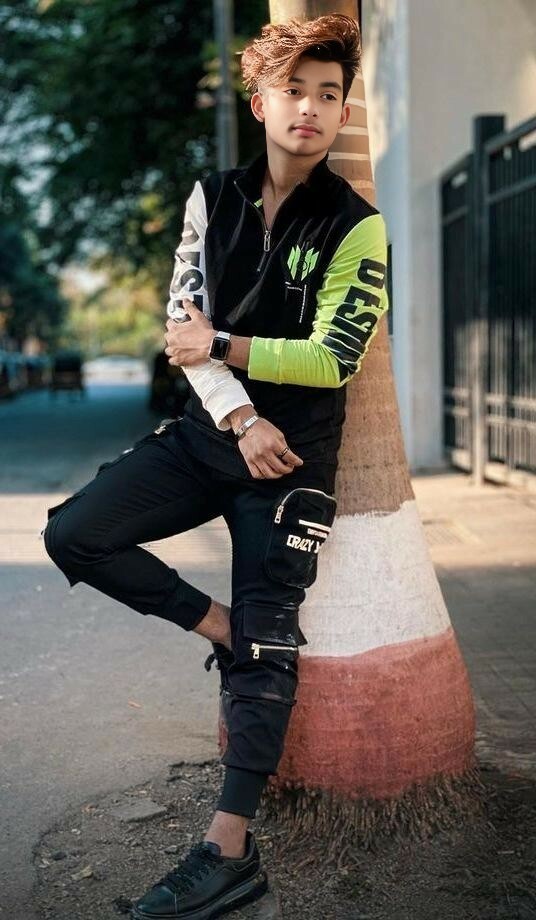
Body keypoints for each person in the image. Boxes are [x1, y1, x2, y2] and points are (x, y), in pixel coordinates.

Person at [43, 12, 389, 919]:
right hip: (215, 435)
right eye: (294, 91)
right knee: (76, 533)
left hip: (293, 459)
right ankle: (221, 630)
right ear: (260, 103)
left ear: (341, 110)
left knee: (271, 646)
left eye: (328, 95)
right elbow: (179, 327)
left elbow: (331, 359)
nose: (310, 108)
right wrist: (238, 415)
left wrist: (227, 348)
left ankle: (227, 850)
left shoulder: (358, 228)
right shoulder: (212, 197)